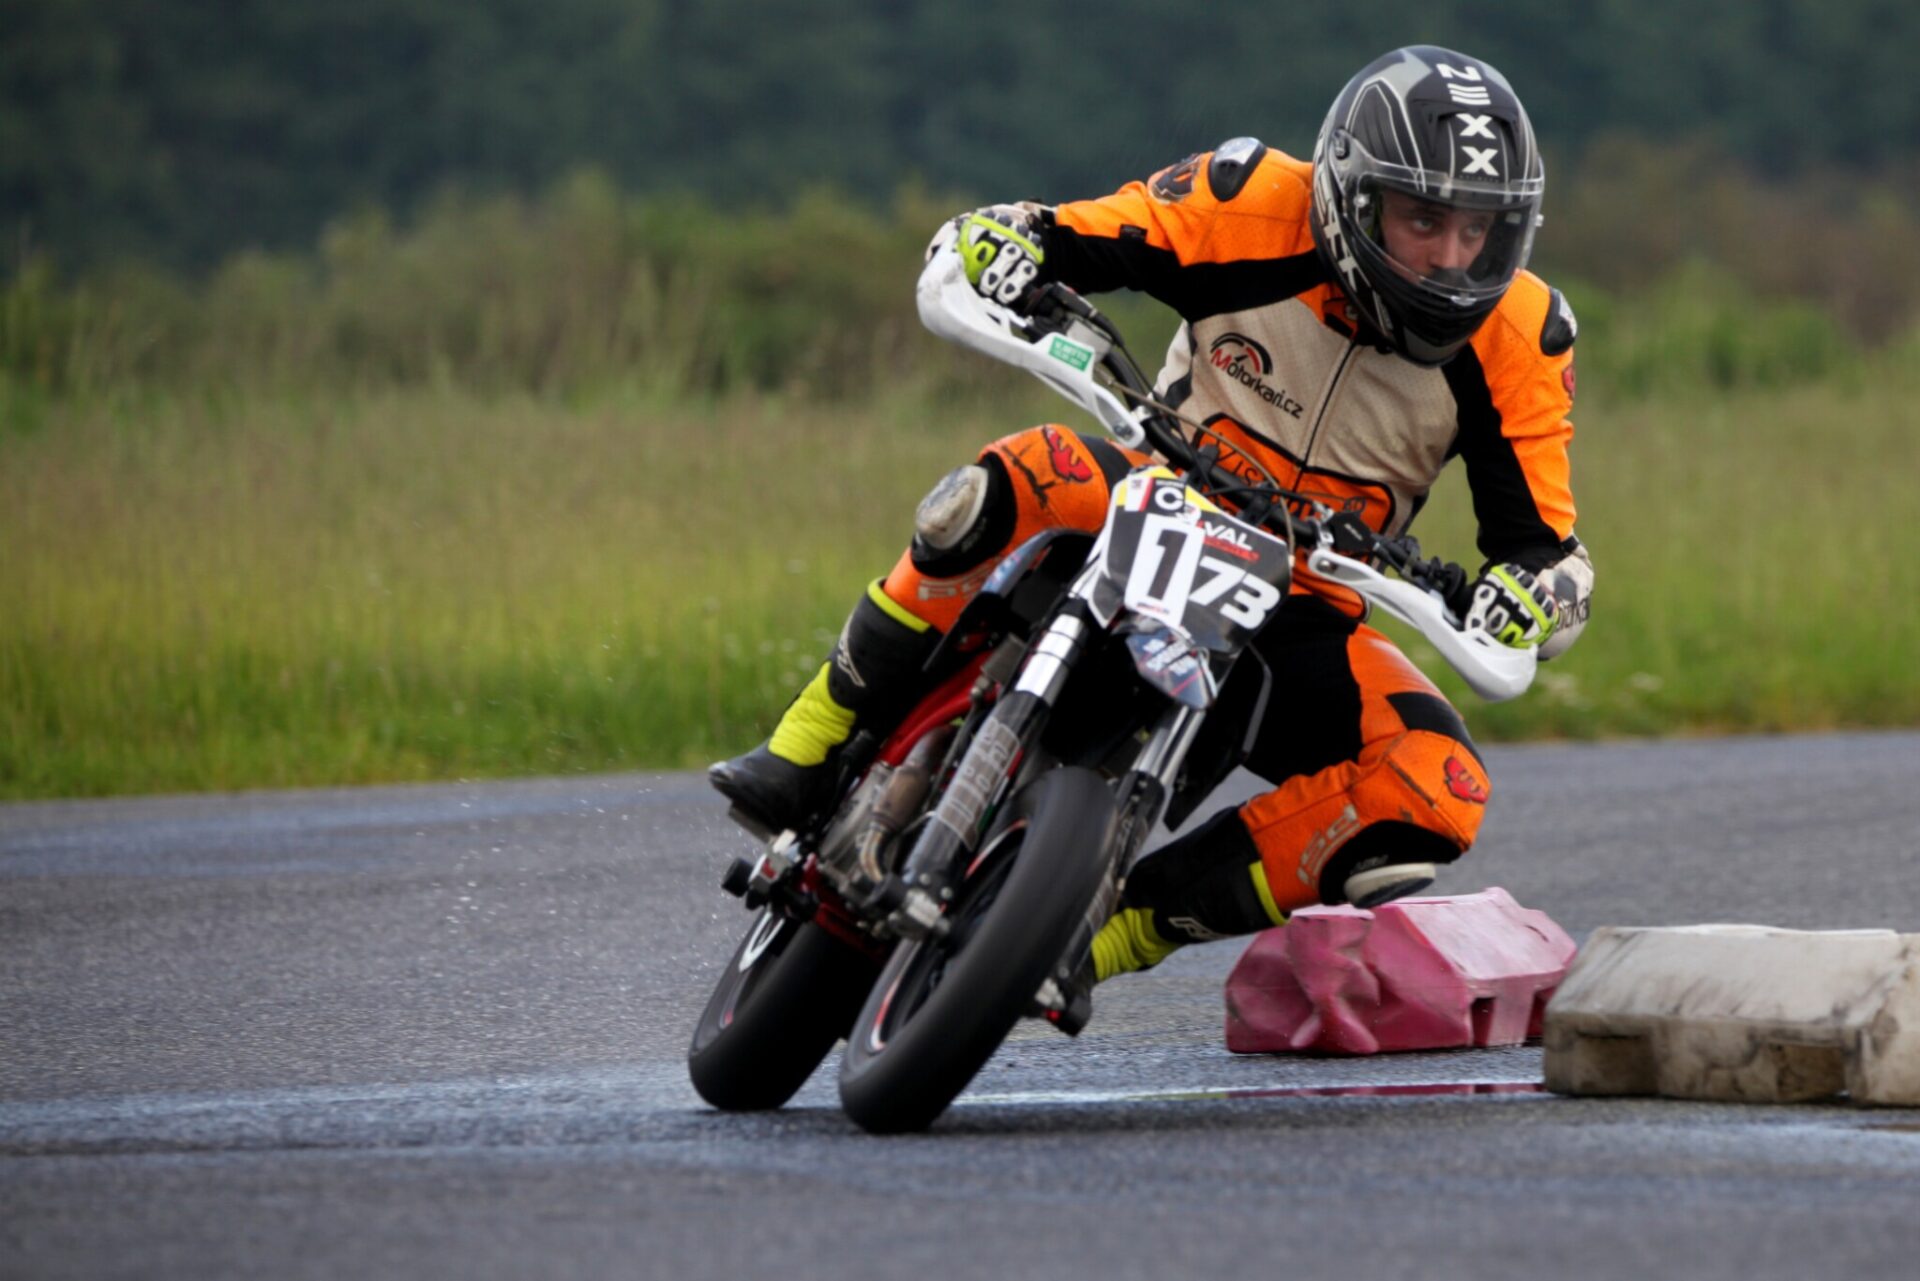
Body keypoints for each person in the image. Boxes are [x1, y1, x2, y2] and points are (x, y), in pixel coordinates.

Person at [710, 45, 1593, 988]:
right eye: (1423, 220)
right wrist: (1006, 241)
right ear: (1351, 195)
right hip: (1153, 493)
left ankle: (1104, 932)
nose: (1452, 259)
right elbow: (1070, 235)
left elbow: (1545, 548)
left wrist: (1536, 598)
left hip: (1303, 598)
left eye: (1478, 231)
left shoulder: (1524, 335)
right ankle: (806, 741)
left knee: (1439, 783)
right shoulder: (1250, 197)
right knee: (1029, 468)